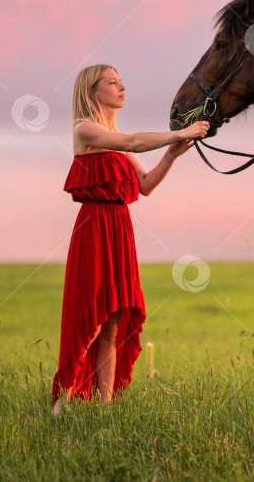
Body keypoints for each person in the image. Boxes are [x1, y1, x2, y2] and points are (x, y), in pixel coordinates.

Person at [51, 64, 208, 415]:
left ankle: (103, 408)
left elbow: (146, 186)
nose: (122, 87)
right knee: (89, 317)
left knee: (114, 321)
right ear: (93, 91)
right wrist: (180, 133)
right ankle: (62, 403)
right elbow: (133, 141)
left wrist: (172, 154)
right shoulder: (85, 129)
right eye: (113, 82)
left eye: (121, 81)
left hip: (120, 227)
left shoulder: (117, 138)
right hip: (94, 228)